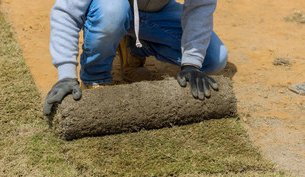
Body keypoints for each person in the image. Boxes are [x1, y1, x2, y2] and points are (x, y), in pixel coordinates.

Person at [43, 0, 228, 115]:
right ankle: (95, 77)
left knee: (214, 58)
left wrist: (191, 63)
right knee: (113, 12)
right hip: (108, 10)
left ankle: (133, 48)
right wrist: (66, 74)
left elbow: (200, 6)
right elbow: (66, 13)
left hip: (155, 15)